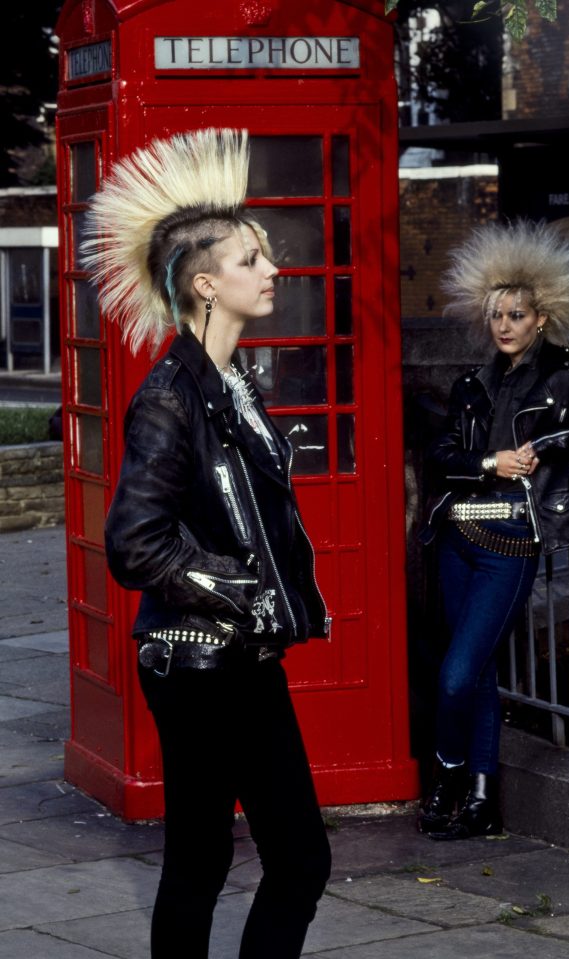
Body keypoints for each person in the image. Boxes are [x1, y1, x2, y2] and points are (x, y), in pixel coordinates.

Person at [82, 128, 332, 958]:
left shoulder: (234, 386)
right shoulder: (169, 398)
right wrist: (246, 589)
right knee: (210, 857)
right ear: (204, 283)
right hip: (196, 663)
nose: (272, 270)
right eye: (252, 259)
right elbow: (133, 542)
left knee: (292, 857)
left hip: (243, 659)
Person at [417, 219, 569, 841]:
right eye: (497, 316)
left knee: (456, 673)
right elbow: (442, 456)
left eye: (517, 314)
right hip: (458, 537)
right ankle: (482, 800)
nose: (505, 326)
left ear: (541, 318)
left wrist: (545, 443)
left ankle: (448, 773)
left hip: (513, 541)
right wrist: (489, 461)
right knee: (477, 669)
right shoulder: (471, 386)